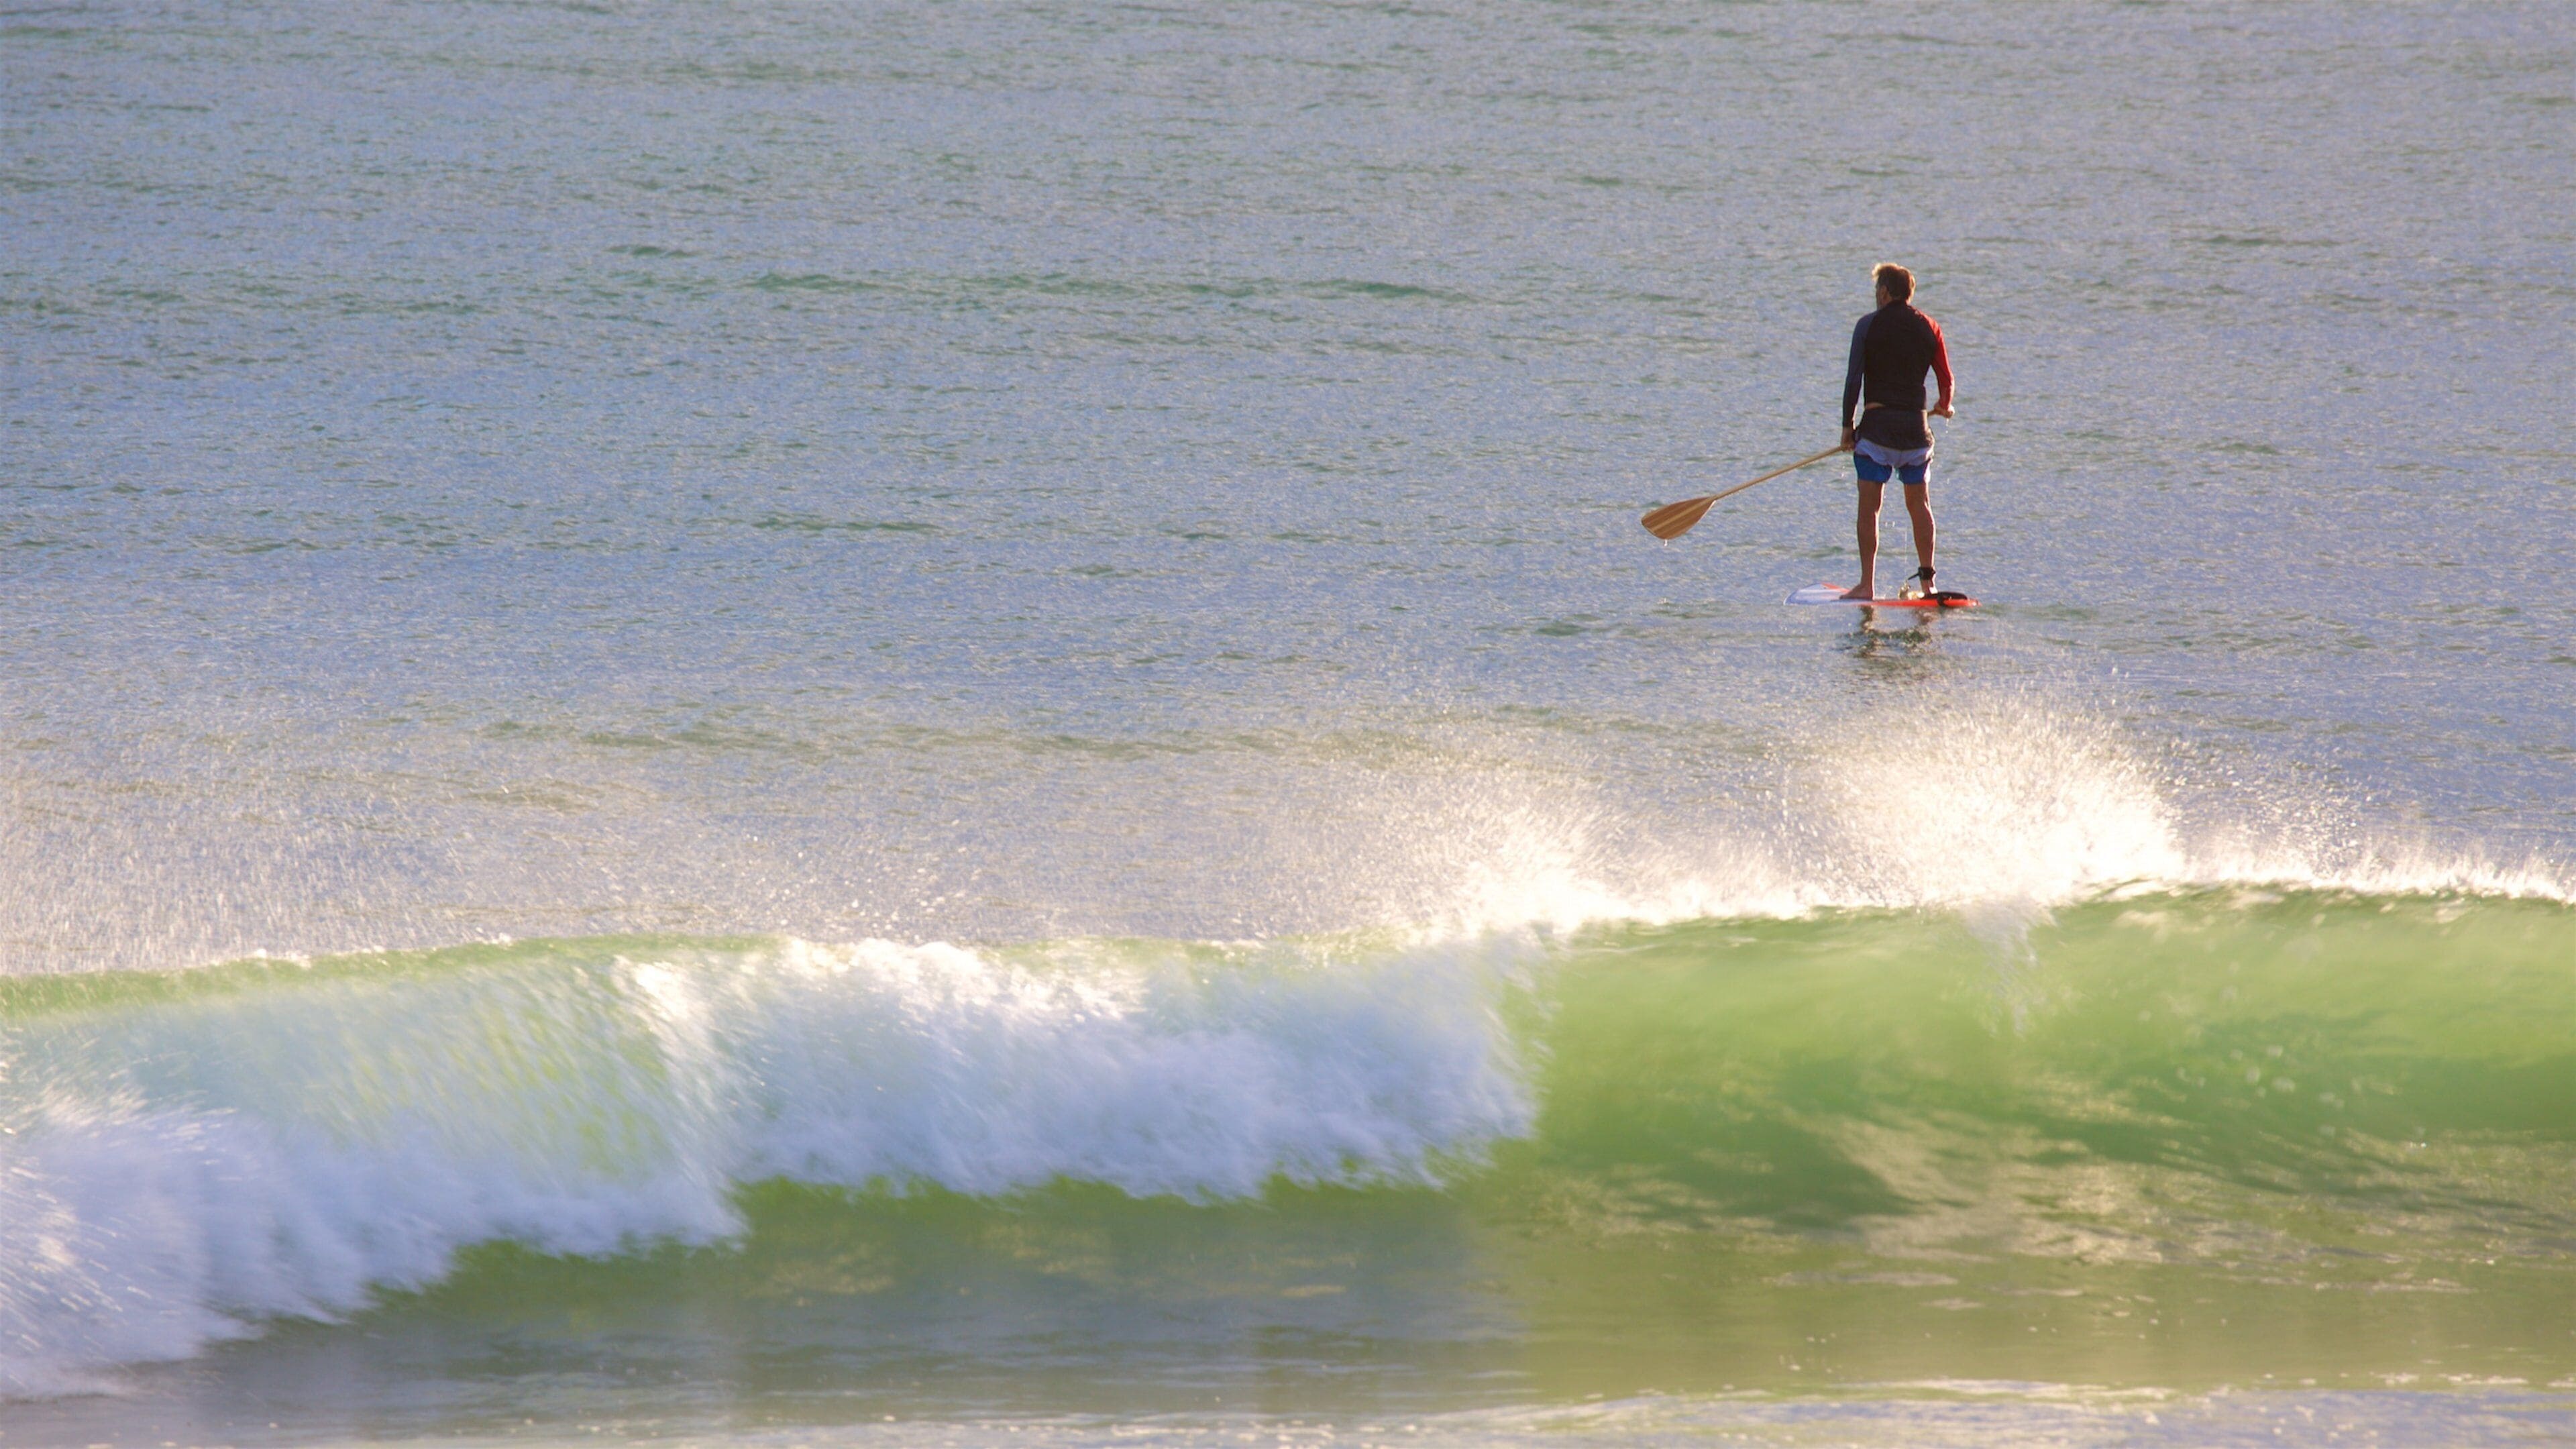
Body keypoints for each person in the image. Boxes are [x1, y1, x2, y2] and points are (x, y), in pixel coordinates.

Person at [1837, 263, 1954, 600]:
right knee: (1920, 506)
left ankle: (1866, 585)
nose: (1876, 296)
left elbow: (1853, 380)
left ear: (1885, 292)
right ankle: (1928, 582)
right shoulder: (1930, 327)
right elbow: (1946, 379)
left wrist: (1847, 427)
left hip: (1877, 434)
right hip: (1916, 434)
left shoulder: (1867, 326)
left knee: (1869, 508)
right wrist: (1945, 403)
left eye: (1878, 291)